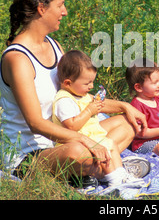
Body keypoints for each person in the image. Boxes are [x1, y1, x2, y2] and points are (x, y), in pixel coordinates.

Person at [0, 0, 149, 187]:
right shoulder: (18, 59)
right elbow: (35, 123)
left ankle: (98, 168)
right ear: (42, 8)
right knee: (79, 151)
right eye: (60, 5)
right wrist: (84, 140)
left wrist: (124, 106)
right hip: (30, 155)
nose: (64, 11)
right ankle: (106, 168)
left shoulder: (54, 46)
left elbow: (79, 96)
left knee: (128, 122)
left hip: (64, 139)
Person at [52, 49, 146, 187]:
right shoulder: (64, 100)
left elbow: (101, 106)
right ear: (67, 83)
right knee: (105, 148)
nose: (91, 86)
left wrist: (119, 105)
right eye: (87, 83)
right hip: (76, 142)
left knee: (110, 144)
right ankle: (114, 180)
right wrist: (89, 110)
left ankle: (119, 175)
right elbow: (71, 126)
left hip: (90, 135)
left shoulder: (80, 94)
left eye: (92, 82)